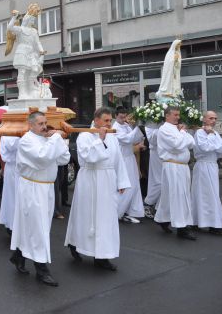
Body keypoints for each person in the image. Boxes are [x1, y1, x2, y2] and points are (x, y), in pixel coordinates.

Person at [65, 107, 130, 271]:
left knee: (106, 218)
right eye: (106, 121)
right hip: (90, 180)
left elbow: (118, 159)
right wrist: (99, 139)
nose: (109, 124)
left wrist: (122, 181)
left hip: (107, 180)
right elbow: (89, 157)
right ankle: (75, 243)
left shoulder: (112, 136)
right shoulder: (84, 136)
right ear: (97, 120)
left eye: (110, 121)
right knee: (86, 216)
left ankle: (102, 255)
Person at [11, 112, 69, 286]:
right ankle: (41, 270)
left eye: (45, 123)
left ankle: (18, 256)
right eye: (40, 123)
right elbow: (42, 158)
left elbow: (64, 159)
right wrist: (56, 139)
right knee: (39, 228)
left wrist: (56, 140)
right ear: (31, 125)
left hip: (47, 188)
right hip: (33, 188)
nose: (44, 126)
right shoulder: (26, 140)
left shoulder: (45, 139)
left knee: (38, 226)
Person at [154, 106, 197, 239]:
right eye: (175, 115)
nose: (178, 117)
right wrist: (183, 133)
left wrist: (182, 135)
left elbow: (192, 143)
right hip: (173, 166)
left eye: (179, 115)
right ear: (167, 115)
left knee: (174, 194)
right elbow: (177, 145)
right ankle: (181, 227)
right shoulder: (164, 129)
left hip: (182, 167)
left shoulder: (177, 129)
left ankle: (163, 219)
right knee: (179, 195)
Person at [191, 111, 222, 235]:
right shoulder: (199, 132)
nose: (213, 120)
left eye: (215, 118)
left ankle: (200, 221)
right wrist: (215, 140)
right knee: (204, 194)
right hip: (203, 165)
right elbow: (205, 148)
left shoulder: (214, 133)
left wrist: (214, 139)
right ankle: (213, 224)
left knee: (211, 193)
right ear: (204, 119)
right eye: (211, 118)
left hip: (212, 165)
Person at [112, 107, 146, 224]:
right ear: (116, 116)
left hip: (130, 158)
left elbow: (137, 138)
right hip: (123, 160)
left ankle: (132, 211)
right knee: (126, 186)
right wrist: (138, 127)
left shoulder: (126, 125)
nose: (123, 119)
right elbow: (128, 139)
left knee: (135, 184)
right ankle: (118, 212)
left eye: (124, 116)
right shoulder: (115, 128)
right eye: (121, 117)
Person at [6, 4, 45, 99]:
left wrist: (41, 51)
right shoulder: (20, 29)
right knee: (22, 72)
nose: (32, 21)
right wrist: (14, 17)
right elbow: (10, 28)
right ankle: (22, 93)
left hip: (31, 53)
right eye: (31, 19)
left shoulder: (34, 31)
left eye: (33, 20)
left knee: (35, 69)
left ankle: (31, 88)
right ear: (26, 19)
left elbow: (37, 42)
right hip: (22, 51)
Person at [0, 136, 19, 231]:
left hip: (20, 168)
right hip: (12, 168)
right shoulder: (6, 135)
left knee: (18, 198)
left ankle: (17, 223)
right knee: (12, 198)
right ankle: (12, 224)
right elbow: (13, 145)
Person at [143, 123, 162, 218]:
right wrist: (160, 128)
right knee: (159, 181)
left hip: (167, 153)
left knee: (164, 181)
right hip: (156, 153)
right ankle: (148, 203)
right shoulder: (149, 126)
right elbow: (152, 140)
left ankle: (158, 206)